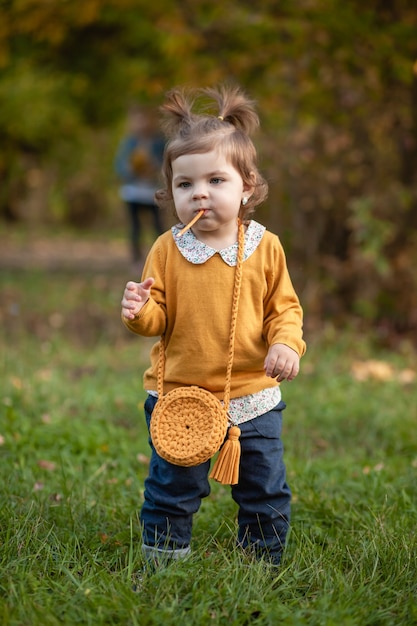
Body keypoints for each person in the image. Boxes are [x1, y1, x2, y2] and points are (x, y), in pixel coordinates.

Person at [121, 85, 306, 568]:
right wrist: (141, 310)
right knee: (172, 486)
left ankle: (261, 564)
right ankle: (165, 559)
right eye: (185, 185)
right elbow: (158, 318)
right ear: (171, 193)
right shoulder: (167, 248)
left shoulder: (265, 248)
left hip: (252, 396)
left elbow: (283, 308)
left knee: (264, 488)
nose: (199, 193)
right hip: (180, 394)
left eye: (216, 181)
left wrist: (287, 343)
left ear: (246, 187)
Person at [114, 105, 165, 264]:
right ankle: (136, 258)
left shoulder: (159, 142)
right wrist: (130, 170)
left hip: (152, 190)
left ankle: (162, 256)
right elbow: (120, 166)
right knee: (135, 226)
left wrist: (156, 169)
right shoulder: (129, 143)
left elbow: (167, 163)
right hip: (133, 190)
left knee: (158, 225)